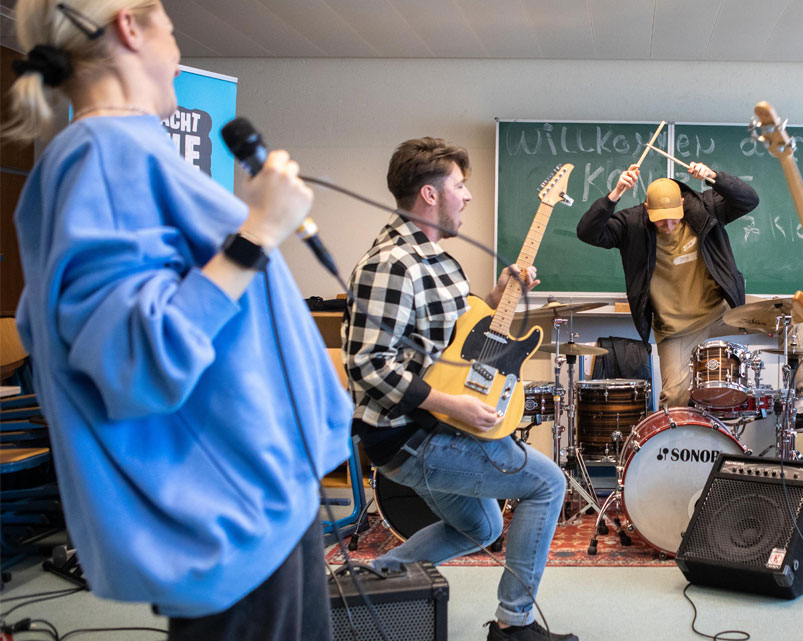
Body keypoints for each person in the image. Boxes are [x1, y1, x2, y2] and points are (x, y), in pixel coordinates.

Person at [6, 2, 350, 640]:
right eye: (166, 20)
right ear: (129, 27)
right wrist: (257, 232)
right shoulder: (102, 155)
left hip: (264, 500)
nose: (176, 39)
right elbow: (133, 359)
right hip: (230, 515)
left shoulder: (126, 151)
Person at [343, 137, 576, 641]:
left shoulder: (439, 260)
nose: (467, 196)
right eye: (460, 185)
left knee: (485, 528)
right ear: (429, 195)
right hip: (408, 434)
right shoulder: (391, 264)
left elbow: (459, 334)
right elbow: (366, 366)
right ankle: (514, 626)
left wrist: (501, 294)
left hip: (438, 422)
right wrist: (456, 406)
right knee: (548, 483)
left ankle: (364, 582)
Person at [576, 163, 803, 431]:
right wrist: (614, 195)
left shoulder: (704, 209)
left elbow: (748, 200)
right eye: (660, 218)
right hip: (676, 329)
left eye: (674, 216)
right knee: (674, 400)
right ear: (647, 210)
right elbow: (587, 232)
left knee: (796, 314)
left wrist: (715, 177)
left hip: (724, 312)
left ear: (683, 204)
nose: (668, 225)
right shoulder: (631, 224)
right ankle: (673, 460)